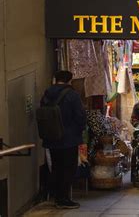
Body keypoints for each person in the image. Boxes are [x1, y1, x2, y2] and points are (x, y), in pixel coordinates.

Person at [40, 70, 86, 209]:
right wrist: (80, 131)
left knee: (56, 167)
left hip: (51, 137)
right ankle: (64, 198)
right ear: (69, 80)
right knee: (68, 168)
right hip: (69, 138)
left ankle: (57, 196)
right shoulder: (72, 95)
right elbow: (80, 116)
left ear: (55, 79)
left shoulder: (46, 94)